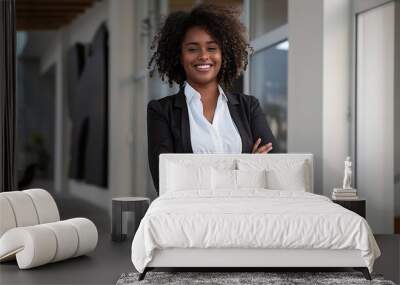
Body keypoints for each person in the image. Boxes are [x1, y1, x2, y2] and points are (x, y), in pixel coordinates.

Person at [147, 4, 278, 194]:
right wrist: (247, 167)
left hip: (248, 214)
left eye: (212, 48)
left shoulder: (248, 107)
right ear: (180, 56)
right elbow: (165, 181)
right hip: (192, 218)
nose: (204, 56)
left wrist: (195, 174)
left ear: (223, 55)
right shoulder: (161, 111)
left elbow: (275, 170)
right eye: (192, 49)